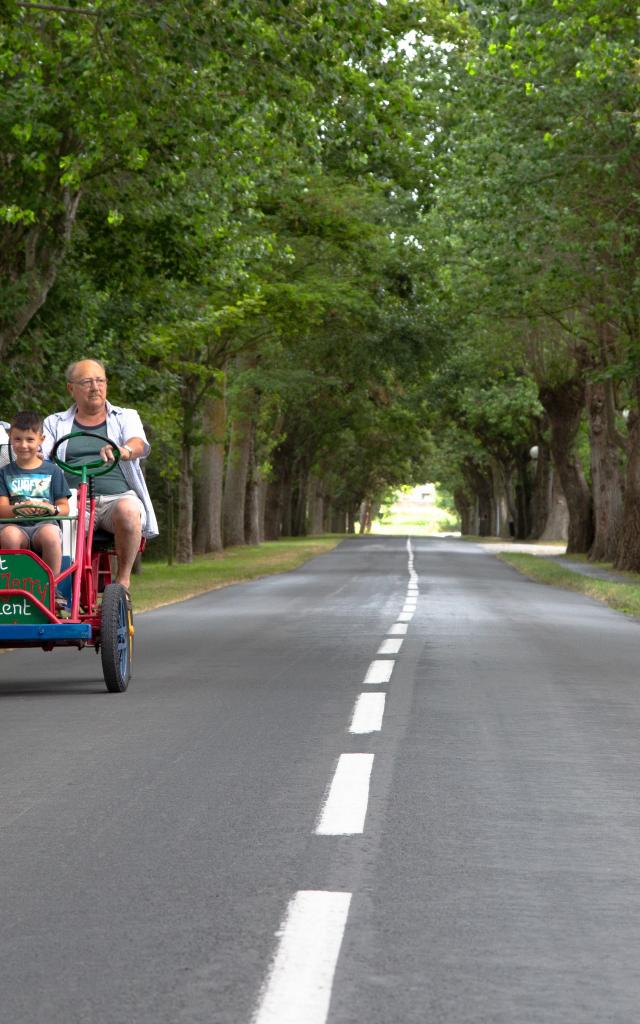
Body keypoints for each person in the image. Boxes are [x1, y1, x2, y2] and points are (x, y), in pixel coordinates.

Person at [42, 358, 158, 590]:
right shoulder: (54, 422)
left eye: (100, 380)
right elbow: (41, 457)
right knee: (54, 529)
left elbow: (138, 443)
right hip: (73, 501)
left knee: (128, 509)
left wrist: (122, 451)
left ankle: (122, 580)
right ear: (71, 388)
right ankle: (62, 592)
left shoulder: (125, 416)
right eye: (86, 381)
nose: (95, 387)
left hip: (117, 498)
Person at [0, 411, 71, 605]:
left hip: (44, 523)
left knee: (50, 535)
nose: (23, 445)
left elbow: (64, 508)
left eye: (30, 439)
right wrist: (19, 508)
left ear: (41, 439)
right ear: (10, 438)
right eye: (18, 439)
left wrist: (50, 509)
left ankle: (51, 588)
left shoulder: (53, 471)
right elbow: (1, 509)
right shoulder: (4, 473)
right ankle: (14, 587)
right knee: (9, 536)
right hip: (14, 525)